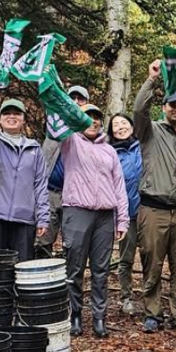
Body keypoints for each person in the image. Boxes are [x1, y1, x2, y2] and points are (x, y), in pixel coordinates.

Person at [133, 61, 176, 334]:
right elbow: (139, 109)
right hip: (154, 209)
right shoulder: (150, 131)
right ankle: (152, 313)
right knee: (152, 263)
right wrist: (151, 80)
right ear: (164, 107)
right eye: (172, 105)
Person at [57, 104, 130, 337]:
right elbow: (56, 121)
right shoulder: (71, 142)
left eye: (97, 118)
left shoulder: (109, 150)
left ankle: (99, 317)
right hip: (77, 211)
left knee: (101, 269)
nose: (93, 121)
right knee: (74, 267)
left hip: (105, 216)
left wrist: (122, 219)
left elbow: (119, 186)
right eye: (87, 117)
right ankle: (75, 315)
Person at [0, 83, 50, 263]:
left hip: (24, 219)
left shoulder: (34, 149)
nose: (12, 116)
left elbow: (40, 185)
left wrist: (43, 217)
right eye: (7, 113)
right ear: (0, 119)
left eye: (17, 113)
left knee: (21, 267)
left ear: (24, 119)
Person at [37, 84, 92, 257]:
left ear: (87, 103)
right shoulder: (55, 123)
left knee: (73, 241)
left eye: (80, 99)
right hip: (50, 192)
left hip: (76, 196)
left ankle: (69, 272)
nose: (75, 101)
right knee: (43, 239)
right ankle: (43, 270)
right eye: (72, 98)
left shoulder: (92, 130)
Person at [108, 114, 143, 314]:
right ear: (111, 131)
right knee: (126, 258)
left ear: (132, 125)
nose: (120, 127)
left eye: (124, 123)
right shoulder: (110, 153)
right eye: (115, 125)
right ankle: (126, 297)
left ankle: (151, 296)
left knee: (151, 257)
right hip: (125, 214)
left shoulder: (143, 146)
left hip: (149, 212)